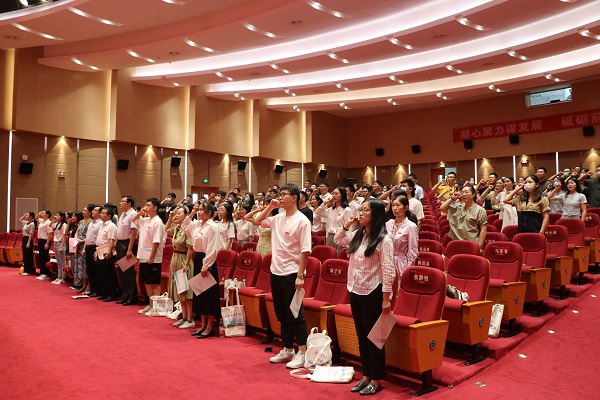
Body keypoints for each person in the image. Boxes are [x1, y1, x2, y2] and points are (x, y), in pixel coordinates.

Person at [334, 199, 394, 395]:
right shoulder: (359, 235)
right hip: (355, 290)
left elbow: (388, 271)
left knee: (374, 339)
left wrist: (386, 298)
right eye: (360, 209)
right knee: (361, 337)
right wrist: (348, 224)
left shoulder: (384, 240)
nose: (360, 213)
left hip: (373, 292)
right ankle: (366, 375)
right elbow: (338, 239)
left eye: (365, 210)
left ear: (375, 214)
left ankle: (376, 379)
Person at [254, 184, 312, 369]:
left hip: (292, 273)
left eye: (284, 194)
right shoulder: (277, 218)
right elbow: (257, 220)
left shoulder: (302, 221)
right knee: (281, 314)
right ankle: (288, 349)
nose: (280, 197)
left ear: (294, 198)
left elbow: (305, 250)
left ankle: (302, 351)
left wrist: (300, 275)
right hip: (276, 272)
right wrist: (270, 207)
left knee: (295, 314)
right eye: (279, 194)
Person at [181, 202, 222, 338]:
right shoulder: (197, 224)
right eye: (198, 210)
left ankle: (210, 327)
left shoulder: (213, 226)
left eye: (201, 210)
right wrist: (192, 212)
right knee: (200, 294)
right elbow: (184, 226)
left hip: (207, 261)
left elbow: (212, 247)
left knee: (208, 295)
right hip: (197, 259)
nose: (199, 212)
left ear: (209, 213)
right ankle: (203, 325)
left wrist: (206, 265)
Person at [133, 198, 166, 316]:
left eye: (148, 206)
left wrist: (151, 257)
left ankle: (156, 307)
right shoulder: (146, 220)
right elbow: (133, 219)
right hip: (143, 255)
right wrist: (141, 212)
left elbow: (156, 241)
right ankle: (150, 304)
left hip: (153, 257)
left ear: (155, 208)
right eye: (145, 205)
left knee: (154, 282)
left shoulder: (157, 222)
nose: (146, 207)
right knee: (146, 282)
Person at [166, 205, 195, 329]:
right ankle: (183, 317)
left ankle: (190, 319)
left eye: (179, 213)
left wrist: (187, 264)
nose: (177, 215)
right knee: (180, 290)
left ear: (186, 216)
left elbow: (190, 249)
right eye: (176, 213)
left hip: (184, 260)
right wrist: (171, 216)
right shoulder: (177, 228)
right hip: (175, 259)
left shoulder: (188, 229)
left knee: (186, 292)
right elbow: (166, 229)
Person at [440, 186, 488, 251]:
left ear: (473, 194)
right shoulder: (458, 206)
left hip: (471, 244)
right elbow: (442, 208)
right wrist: (452, 198)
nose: (464, 194)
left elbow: (483, 229)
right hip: (457, 243)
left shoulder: (480, 210)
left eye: (466, 192)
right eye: (462, 192)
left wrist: (479, 247)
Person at [385, 196, 418, 277]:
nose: (394, 208)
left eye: (398, 205)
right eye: (393, 205)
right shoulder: (388, 223)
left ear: (406, 208)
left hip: (401, 263)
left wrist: (407, 271)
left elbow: (413, 251)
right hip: (386, 262)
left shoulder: (411, 226)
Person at [116, 195, 139, 306]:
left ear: (129, 203)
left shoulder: (133, 214)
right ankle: (125, 296)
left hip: (127, 244)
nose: (120, 203)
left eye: (123, 201)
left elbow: (134, 232)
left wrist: (129, 249)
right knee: (122, 271)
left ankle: (132, 297)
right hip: (120, 244)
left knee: (128, 272)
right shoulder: (123, 214)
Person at [95, 207, 118, 301]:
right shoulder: (101, 225)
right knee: (101, 273)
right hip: (100, 250)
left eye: (104, 213)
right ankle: (104, 293)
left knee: (109, 274)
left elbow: (112, 240)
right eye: (101, 213)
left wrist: (109, 252)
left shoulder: (111, 226)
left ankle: (112, 294)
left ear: (109, 216)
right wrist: (96, 251)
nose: (101, 215)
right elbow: (99, 239)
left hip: (107, 250)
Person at [84, 206, 102, 296]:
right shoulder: (91, 223)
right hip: (88, 247)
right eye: (93, 210)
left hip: (95, 247)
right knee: (90, 270)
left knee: (95, 270)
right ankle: (92, 289)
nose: (93, 212)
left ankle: (97, 290)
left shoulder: (101, 223)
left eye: (95, 210)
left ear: (100, 213)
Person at [75, 205, 92, 293]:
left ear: (90, 212)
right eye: (83, 210)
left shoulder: (91, 222)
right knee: (80, 265)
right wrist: (77, 238)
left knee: (85, 266)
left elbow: (89, 236)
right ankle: (83, 285)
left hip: (85, 244)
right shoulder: (81, 221)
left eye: (85, 211)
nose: (83, 212)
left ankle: (88, 285)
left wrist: (82, 241)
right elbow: (77, 232)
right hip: (78, 244)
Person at [67, 212, 84, 290]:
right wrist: (68, 224)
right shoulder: (72, 225)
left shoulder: (79, 226)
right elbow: (66, 233)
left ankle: (78, 283)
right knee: (73, 265)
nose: (72, 217)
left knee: (77, 265)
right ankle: (75, 281)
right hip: (72, 245)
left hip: (78, 245)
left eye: (74, 216)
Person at [50, 211, 68, 285]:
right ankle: (59, 277)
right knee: (58, 263)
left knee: (62, 262)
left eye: (58, 215)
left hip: (60, 243)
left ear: (62, 217)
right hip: (55, 243)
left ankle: (63, 278)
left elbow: (64, 236)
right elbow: (49, 225)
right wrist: (54, 219)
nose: (56, 216)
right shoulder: (57, 224)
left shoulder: (64, 224)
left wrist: (61, 246)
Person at [35, 210, 53, 281]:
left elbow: (50, 234)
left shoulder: (48, 222)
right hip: (40, 240)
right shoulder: (42, 221)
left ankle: (46, 273)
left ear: (47, 215)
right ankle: (42, 272)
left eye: (43, 213)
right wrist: (39, 214)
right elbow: (36, 218)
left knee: (44, 257)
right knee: (41, 257)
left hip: (45, 241)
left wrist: (47, 243)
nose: (42, 214)